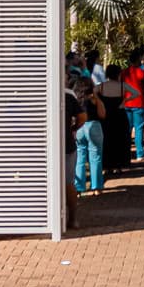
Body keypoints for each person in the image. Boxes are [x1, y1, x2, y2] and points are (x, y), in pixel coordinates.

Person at [73, 77, 106, 195]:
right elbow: (102, 114)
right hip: (94, 126)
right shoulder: (94, 99)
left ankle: (79, 187)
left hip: (80, 128)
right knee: (96, 157)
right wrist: (97, 97)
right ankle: (96, 187)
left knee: (80, 158)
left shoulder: (76, 100)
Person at [96, 65, 129, 175]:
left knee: (106, 141)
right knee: (119, 140)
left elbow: (93, 92)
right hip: (119, 115)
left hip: (106, 116)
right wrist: (125, 101)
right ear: (118, 74)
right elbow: (136, 93)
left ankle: (106, 166)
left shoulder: (102, 86)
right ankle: (118, 166)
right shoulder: (121, 86)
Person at [62, 73, 85, 230]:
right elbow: (82, 117)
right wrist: (73, 129)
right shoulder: (67, 96)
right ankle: (73, 218)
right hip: (67, 146)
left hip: (57, 147)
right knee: (69, 182)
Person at [122, 52, 144, 162]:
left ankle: (126, 153)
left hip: (127, 103)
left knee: (127, 129)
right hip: (139, 103)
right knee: (139, 129)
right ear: (138, 60)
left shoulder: (124, 73)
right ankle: (140, 153)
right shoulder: (141, 72)